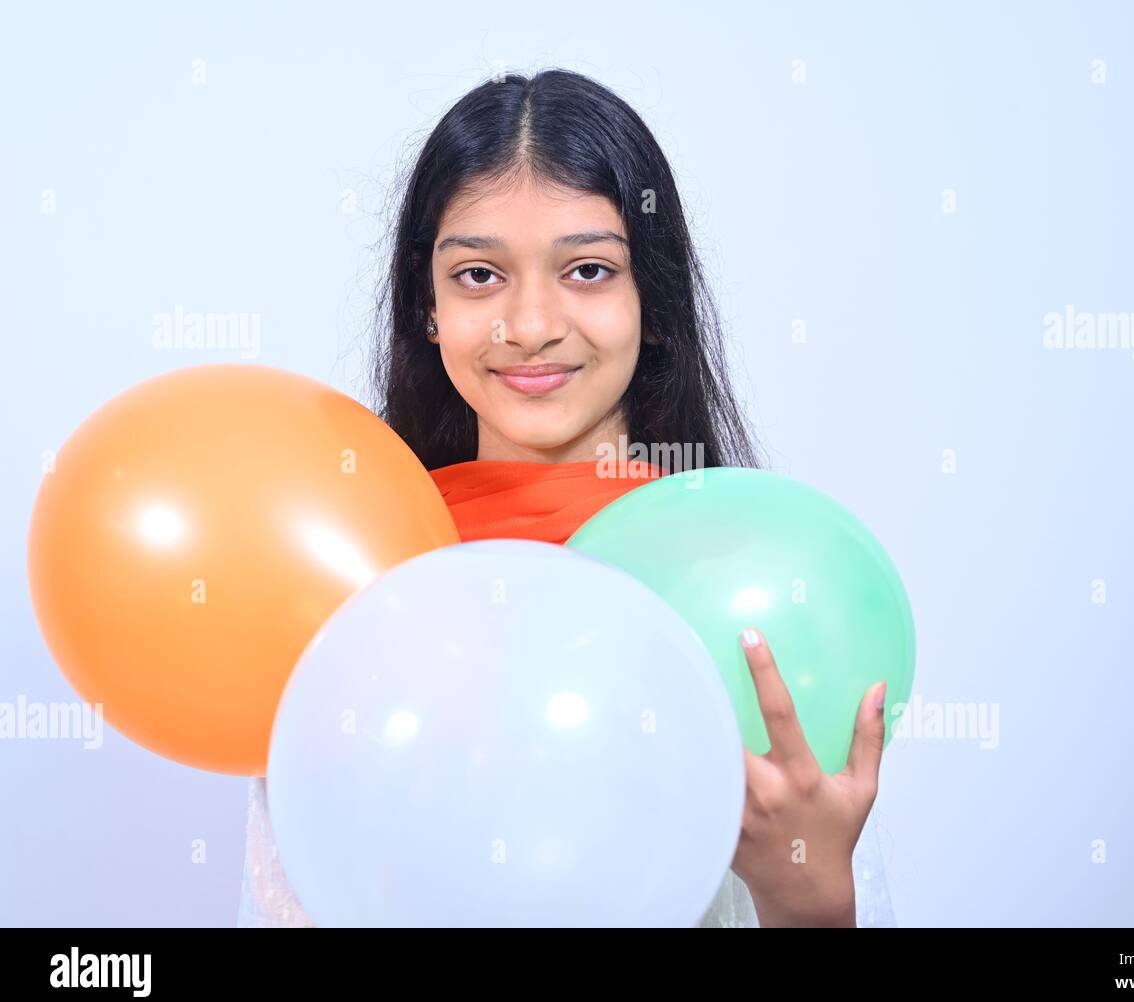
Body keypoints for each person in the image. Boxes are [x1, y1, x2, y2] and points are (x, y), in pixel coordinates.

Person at [238, 68, 896, 928]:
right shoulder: (361, 592)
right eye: (478, 276)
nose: (533, 322)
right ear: (427, 307)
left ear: (652, 303)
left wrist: (808, 897)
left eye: (588, 269)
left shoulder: (746, 588)